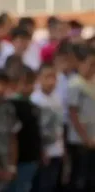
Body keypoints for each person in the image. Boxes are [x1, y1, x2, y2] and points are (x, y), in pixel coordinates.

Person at [6, 65, 42, 192]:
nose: (31, 87)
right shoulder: (12, 106)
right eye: (27, 83)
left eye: (32, 83)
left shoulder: (31, 105)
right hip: (19, 159)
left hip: (31, 158)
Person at [30, 63, 64, 192]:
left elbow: (60, 125)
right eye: (47, 77)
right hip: (44, 152)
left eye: (54, 77)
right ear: (39, 79)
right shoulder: (35, 100)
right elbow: (37, 130)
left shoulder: (57, 98)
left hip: (57, 149)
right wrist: (42, 150)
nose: (51, 81)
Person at [66, 46, 95, 192]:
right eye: (89, 64)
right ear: (80, 64)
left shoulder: (93, 83)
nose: (91, 68)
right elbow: (73, 114)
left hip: (93, 137)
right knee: (79, 177)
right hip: (80, 140)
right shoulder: (75, 84)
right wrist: (86, 138)